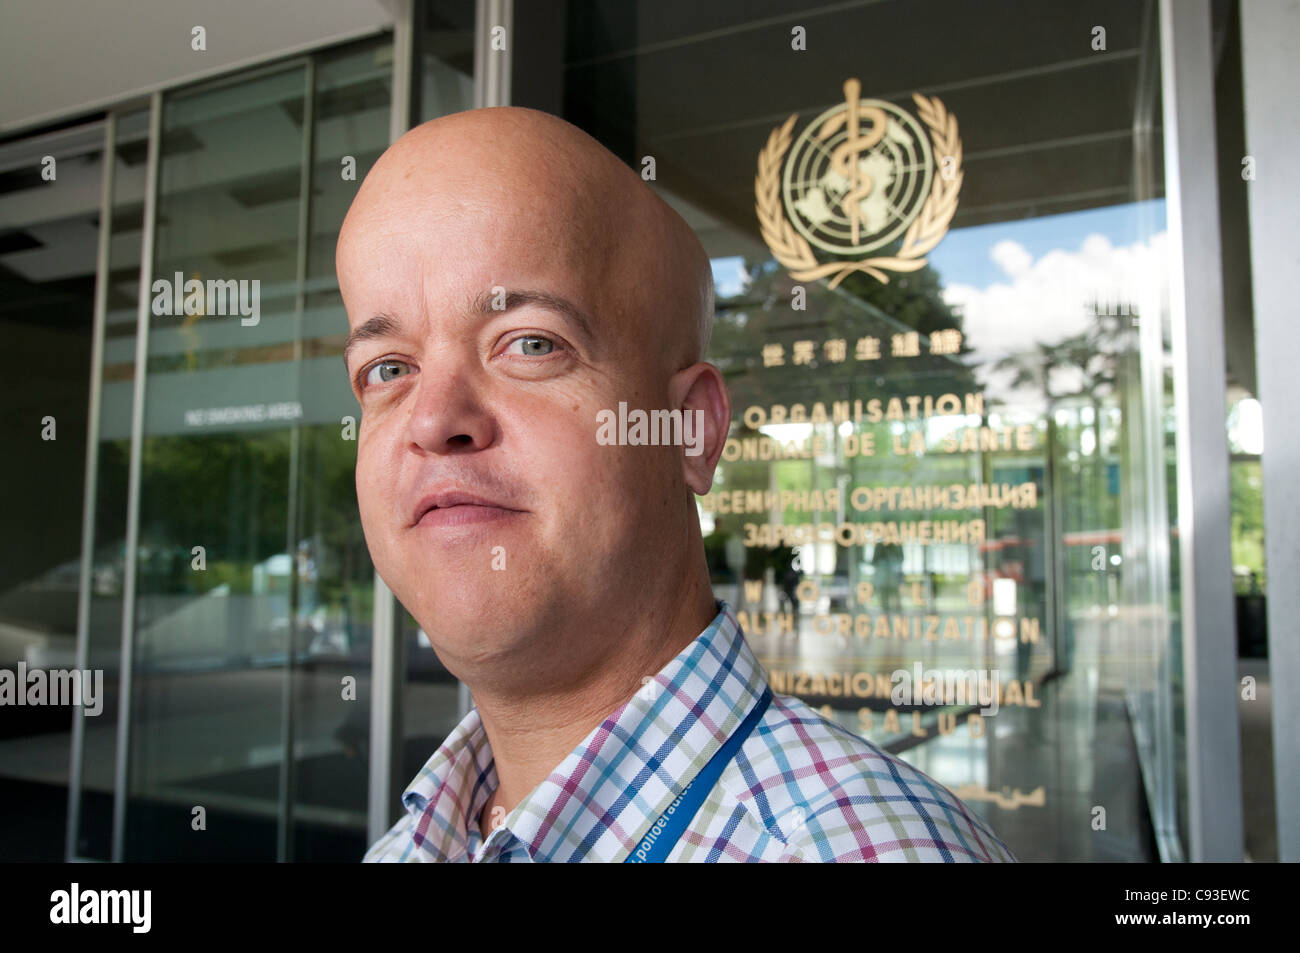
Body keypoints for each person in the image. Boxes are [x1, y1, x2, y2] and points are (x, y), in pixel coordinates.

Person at [336, 106, 1016, 863]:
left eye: (530, 343)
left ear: (691, 430)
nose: (434, 418)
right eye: (389, 369)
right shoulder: (407, 850)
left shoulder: (867, 849)